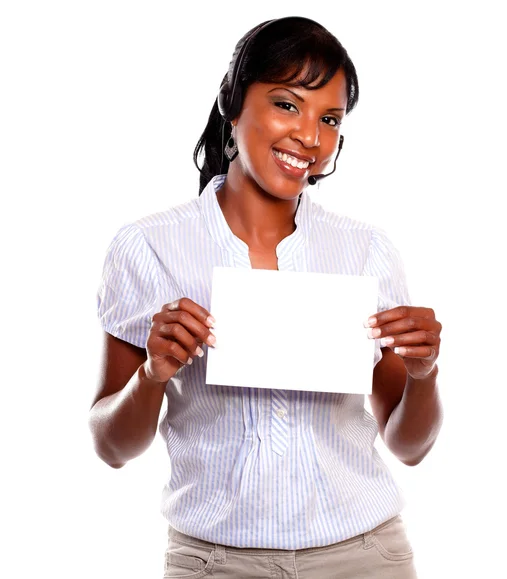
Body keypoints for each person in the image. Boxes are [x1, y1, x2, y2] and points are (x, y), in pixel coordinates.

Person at [89, 16, 443, 579]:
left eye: (329, 119)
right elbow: (112, 447)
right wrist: (152, 375)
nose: (310, 135)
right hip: (213, 562)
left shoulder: (366, 250)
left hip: (363, 557)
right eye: (286, 104)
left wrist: (424, 374)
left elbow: (409, 446)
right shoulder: (149, 247)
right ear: (234, 106)